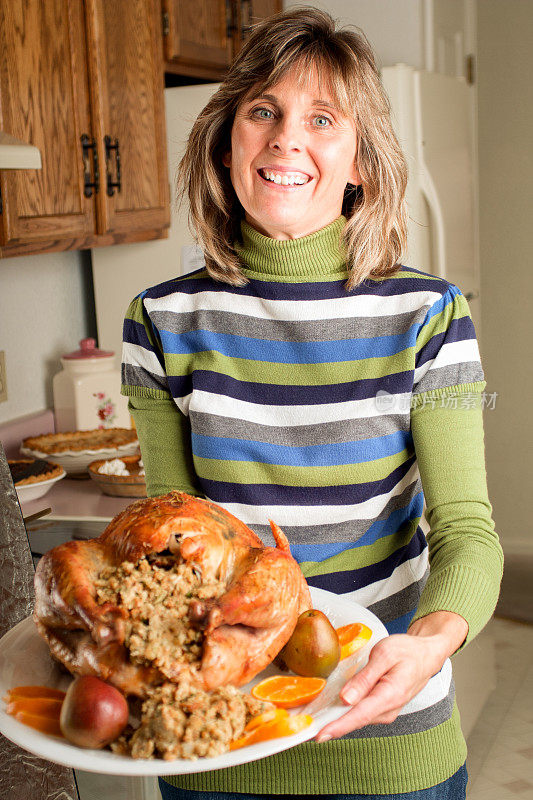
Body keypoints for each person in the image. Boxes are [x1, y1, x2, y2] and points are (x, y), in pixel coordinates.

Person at [121, 8, 503, 799]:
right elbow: (170, 535)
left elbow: (467, 532)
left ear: (357, 157)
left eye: (321, 118)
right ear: (227, 141)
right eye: (263, 111)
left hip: (386, 727)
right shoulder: (159, 321)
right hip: (218, 734)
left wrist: (427, 646)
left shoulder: (429, 315)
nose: (286, 138)